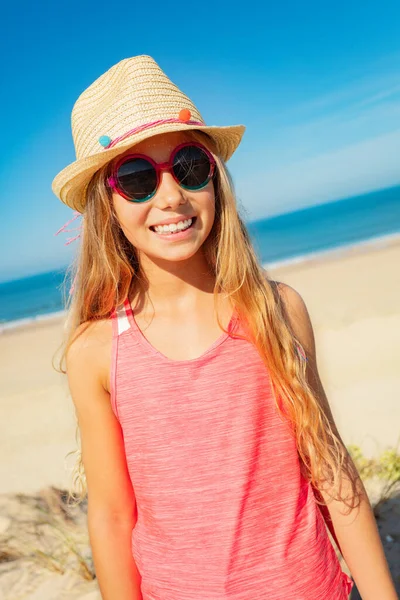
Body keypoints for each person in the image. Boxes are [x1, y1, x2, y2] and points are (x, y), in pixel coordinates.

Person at [51, 55, 397, 600]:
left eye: (188, 166)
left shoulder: (276, 312)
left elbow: (332, 471)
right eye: (138, 178)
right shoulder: (97, 351)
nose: (170, 197)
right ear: (107, 205)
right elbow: (114, 517)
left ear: (214, 177)